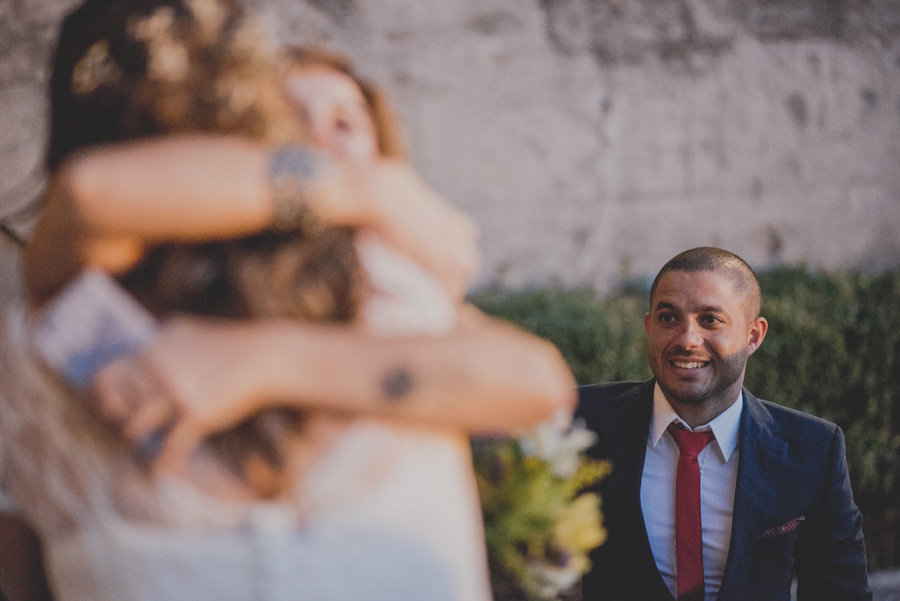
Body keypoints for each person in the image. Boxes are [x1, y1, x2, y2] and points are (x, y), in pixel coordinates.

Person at [0, 1, 576, 600]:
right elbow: (92, 195)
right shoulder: (57, 338)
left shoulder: (372, 284)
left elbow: (536, 382)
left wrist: (265, 362)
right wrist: (365, 187)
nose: (315, 141)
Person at [576, 246, 872, 601]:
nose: (687, 339)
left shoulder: (813, 450)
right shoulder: (583, 422)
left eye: (710, 320)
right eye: (668, 318)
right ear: (648, 326)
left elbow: (841, 594)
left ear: (753, 335)